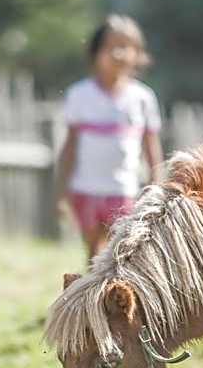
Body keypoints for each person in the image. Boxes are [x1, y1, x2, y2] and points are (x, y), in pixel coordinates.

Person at [56, 14, 164, 263]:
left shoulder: (142, 98)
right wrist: (62, 192)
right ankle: (92, 300)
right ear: (96, 52)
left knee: (121, 255)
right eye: (111, 47)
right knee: (93, 256)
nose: (118, 54)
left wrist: (156, 187)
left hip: (125, 190)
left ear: (138, 54)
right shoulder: (79, 95)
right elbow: (70, 146)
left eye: (126, 47)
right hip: (86, 189)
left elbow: (151, 148)